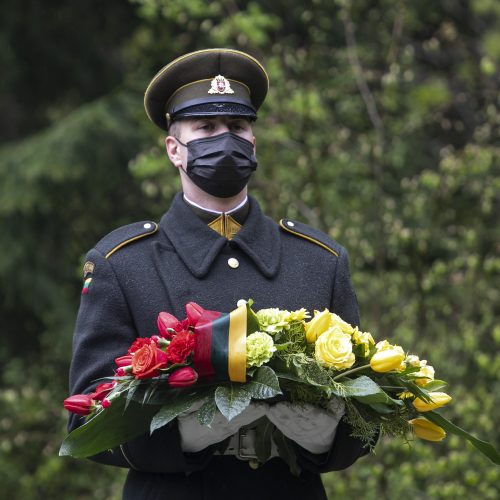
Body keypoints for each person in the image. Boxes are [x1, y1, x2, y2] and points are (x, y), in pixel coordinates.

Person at [68, 48, 372, 500]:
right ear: (174, 149)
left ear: (253, 141)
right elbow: (86, 417)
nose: (225, 139)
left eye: (237, 127)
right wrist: (187, 435)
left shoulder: (319, 260)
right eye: (206, 128)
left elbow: (367, 411)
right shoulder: (123, 263)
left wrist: (323, 436)